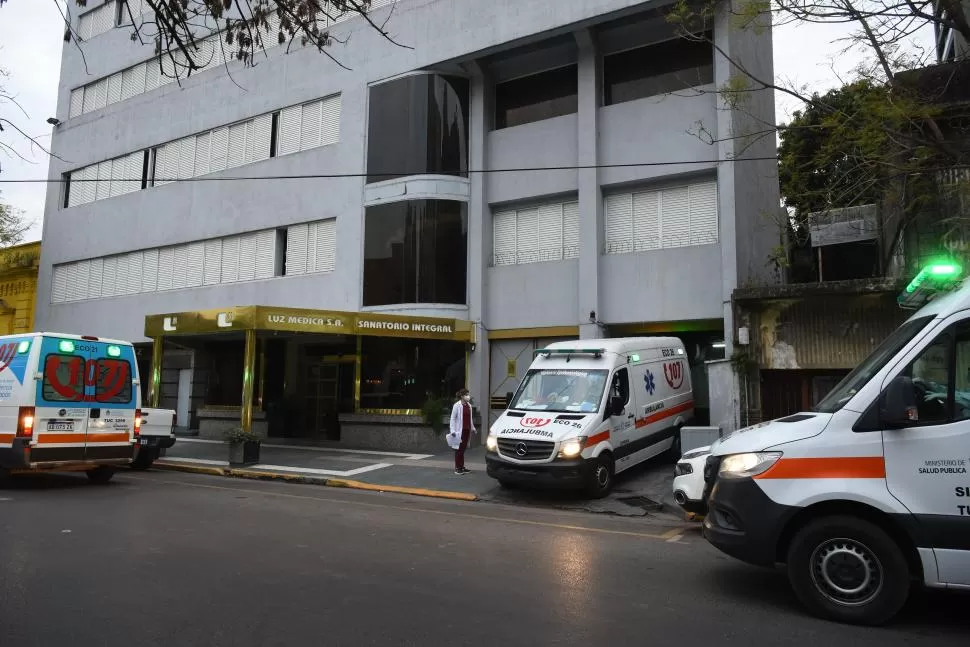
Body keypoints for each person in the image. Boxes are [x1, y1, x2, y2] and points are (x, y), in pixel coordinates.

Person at [447, 388, 476, 475]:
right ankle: (457, 468)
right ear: (462, 396)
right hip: (459, 431)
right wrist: (452, 430)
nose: (468, 396)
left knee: (463, 449)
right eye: (466, 395)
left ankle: (462, 467)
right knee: (458, 449)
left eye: (468, 394)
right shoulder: (457, 405)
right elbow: (452, 418)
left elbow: (470, 419)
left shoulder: (469, 406)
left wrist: (473, 428)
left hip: (467, 430)